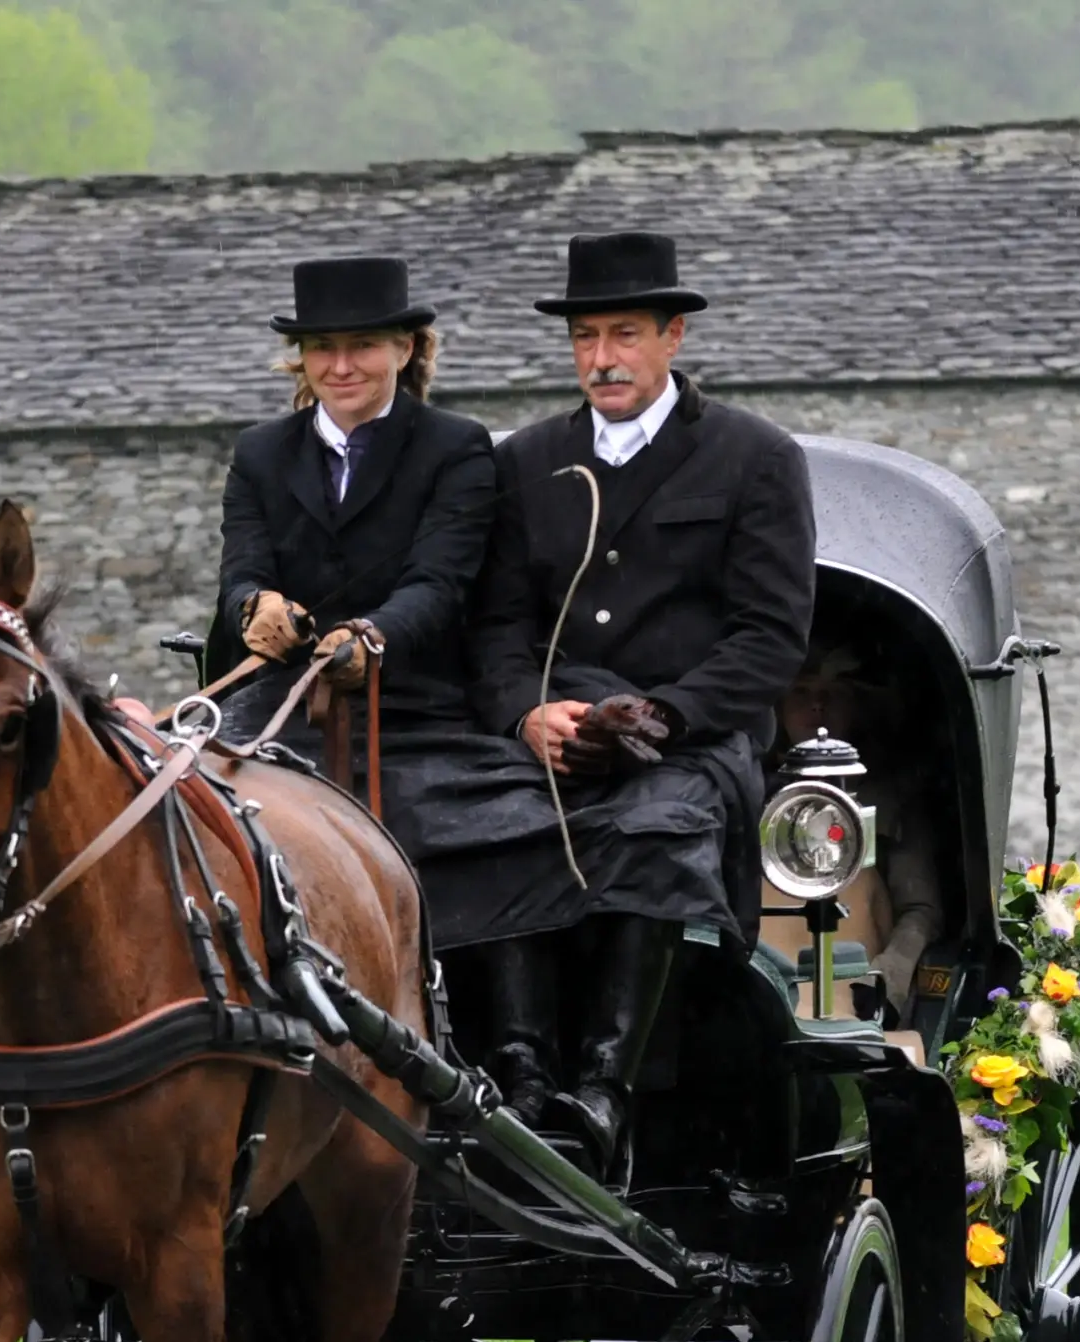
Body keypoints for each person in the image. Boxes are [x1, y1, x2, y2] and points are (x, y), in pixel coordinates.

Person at [408, 231, 816, 1173]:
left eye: (624, 334)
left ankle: (604, 1089)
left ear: (672, 337)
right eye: (585, 337)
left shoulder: (756, 458)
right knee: (473, 819)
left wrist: (661, 718)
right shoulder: (526, 464)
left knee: (654, 825)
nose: (601, 358)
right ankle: (517, 1073)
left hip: (688, 740)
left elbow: (768, 639)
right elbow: (497, 627)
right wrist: (525, 715)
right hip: (547, 738)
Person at [205, 257, 498, 790]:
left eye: (362, 345)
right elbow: (241, 572)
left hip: (413, 707)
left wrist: (373, 637)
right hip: (276, 699)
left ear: (403, 349)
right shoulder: (259, 452)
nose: (340, 367)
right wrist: (255, 606)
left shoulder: (456, 448)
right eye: (322, 348)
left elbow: (439, 582)